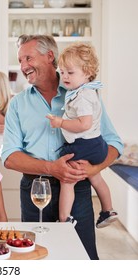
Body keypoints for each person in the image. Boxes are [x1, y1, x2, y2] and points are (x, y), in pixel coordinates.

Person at [1, 34, 123, 260]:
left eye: (28, 58)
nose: (23, 66)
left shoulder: (83, 94)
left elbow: (114, 144)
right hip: (34, 190)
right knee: (36, 258)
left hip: (77, 187)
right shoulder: (18, 103)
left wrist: (94, 170)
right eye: (20, 61)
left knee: (82, 258)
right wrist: (51, 168)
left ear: (49, 56)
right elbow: (9, 156)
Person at [46, 42, 118, 228]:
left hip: (83, 145)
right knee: (96, 177)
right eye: (62, 72)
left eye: (70, 72)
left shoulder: (83, 95)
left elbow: (84, 124)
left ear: (87, 72)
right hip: (96, 145)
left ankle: (64, 219)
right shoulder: (86, 91)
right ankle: (107, 210)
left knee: (67, 180)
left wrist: (60, 122)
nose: (65, 77)